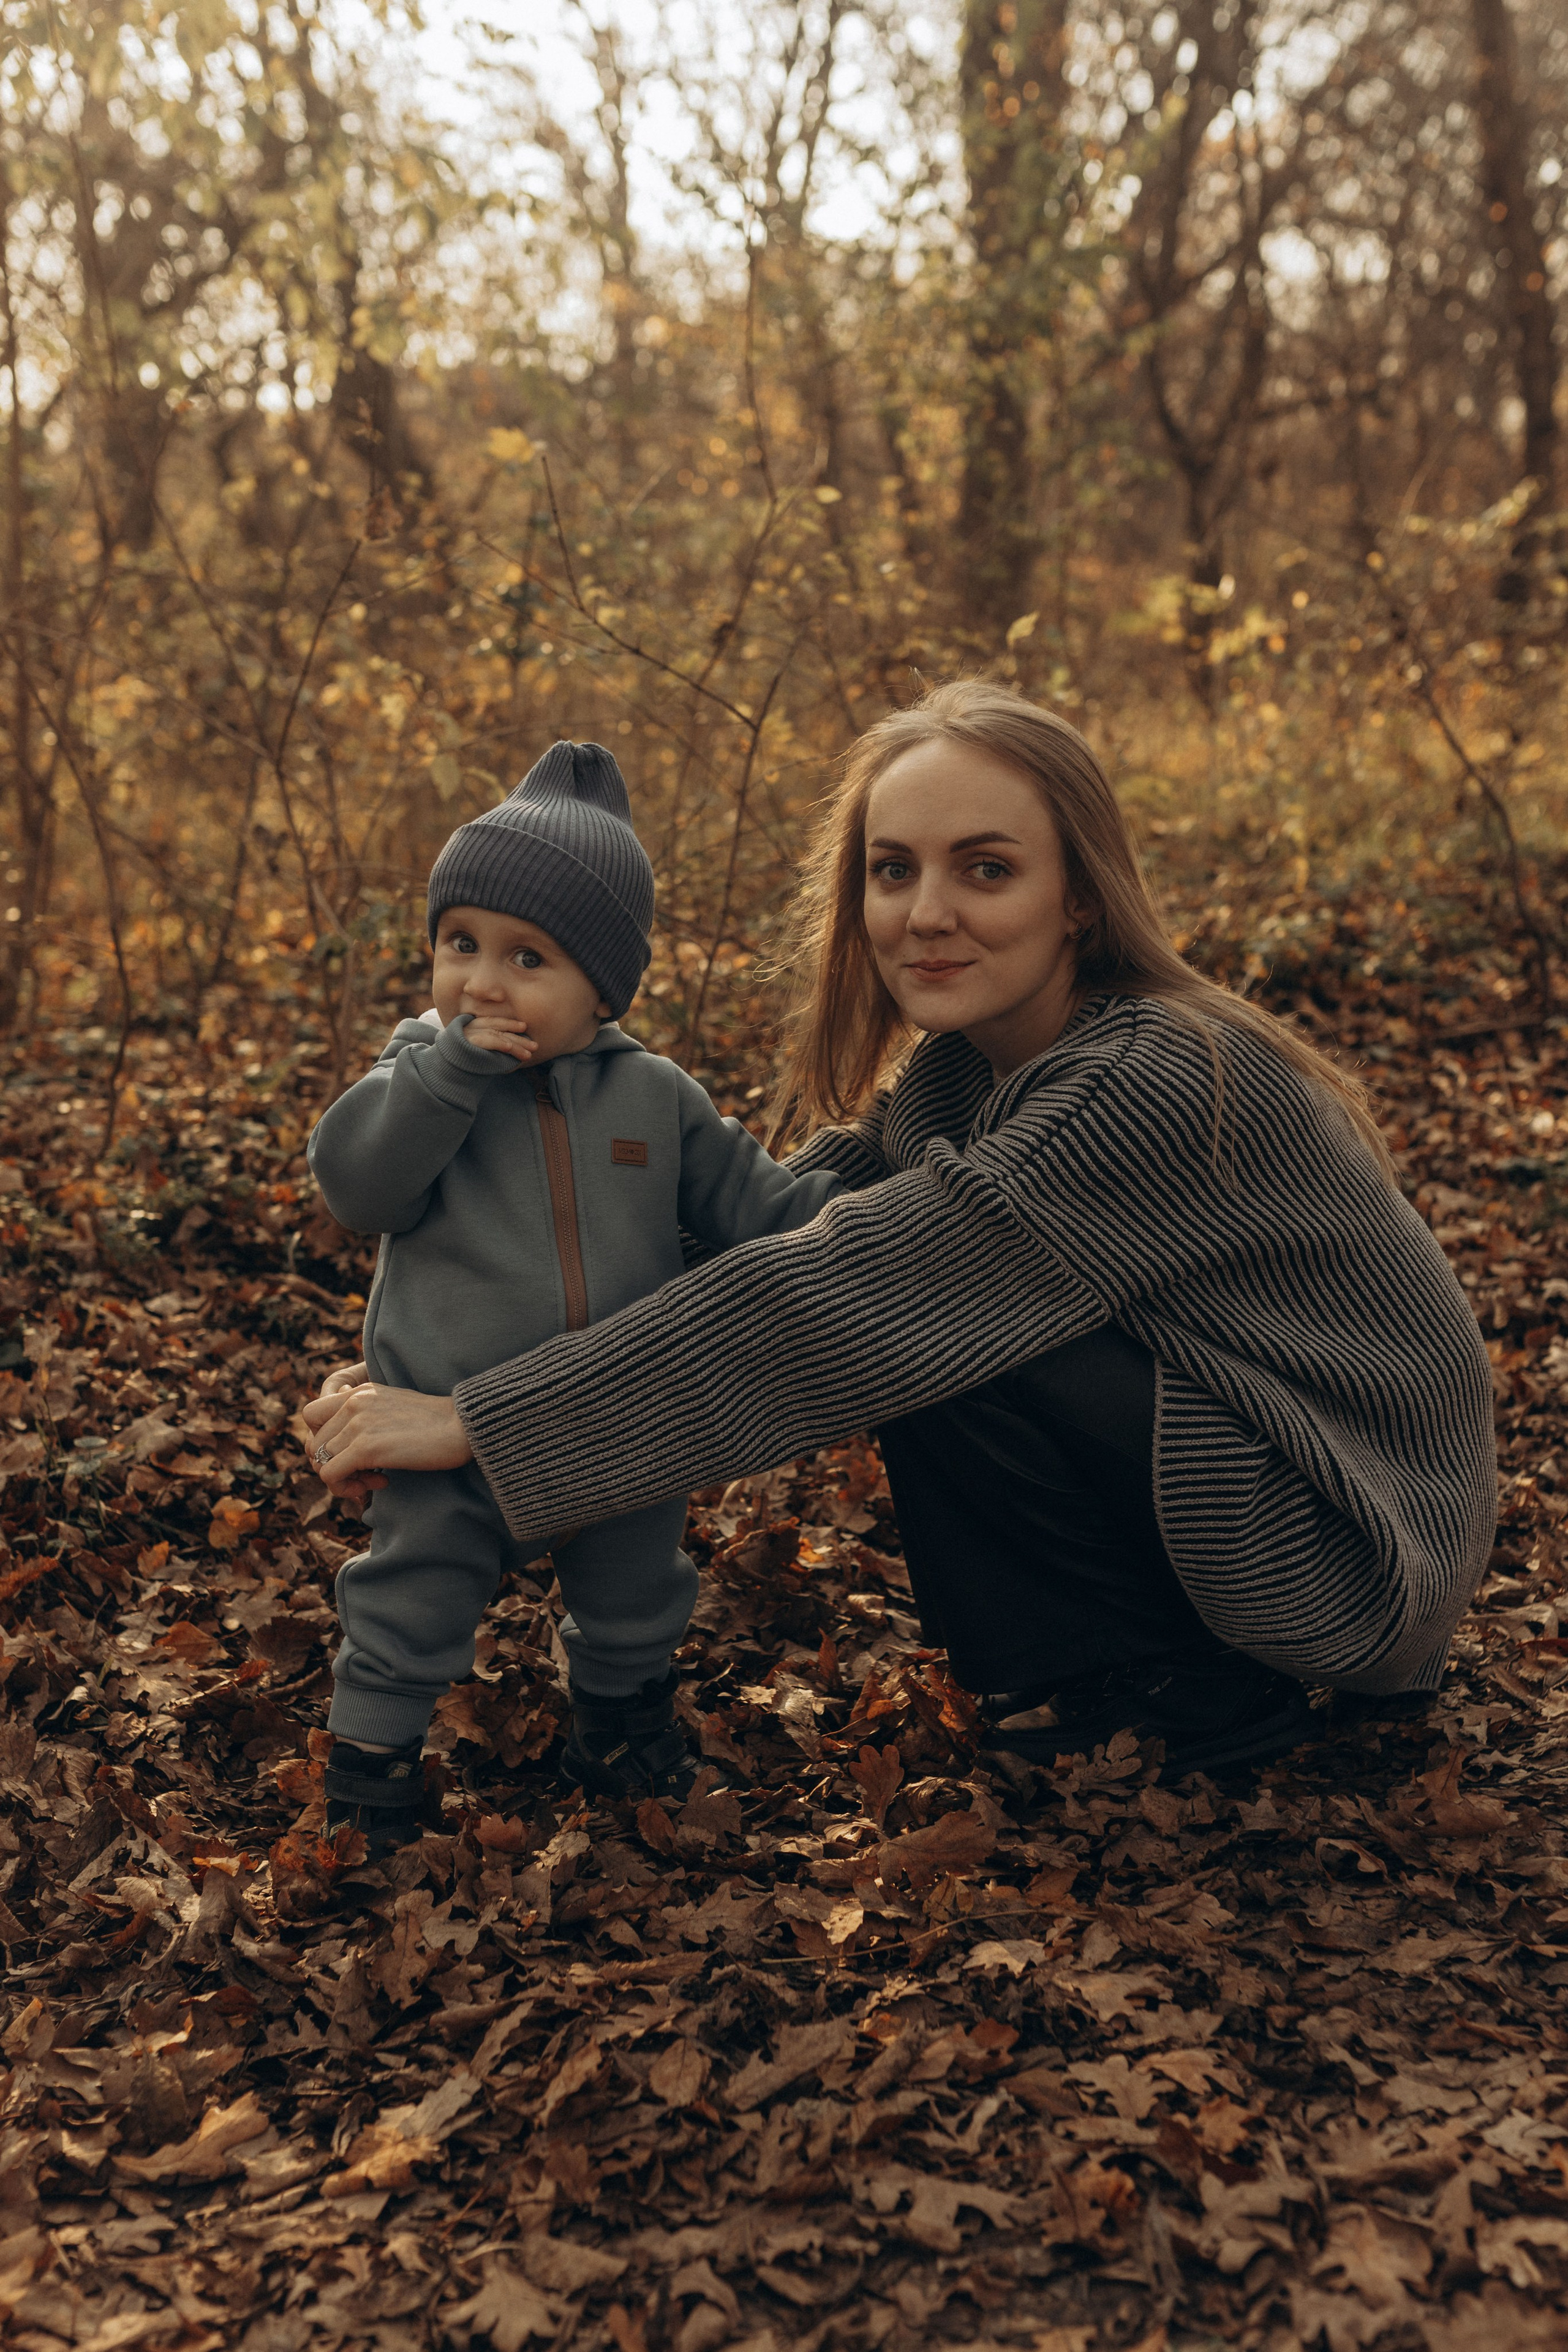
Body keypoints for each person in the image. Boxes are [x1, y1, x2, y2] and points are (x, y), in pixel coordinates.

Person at [303, 680, 1497, 1790]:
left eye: (986, 869)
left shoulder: (1145, 1079)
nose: (926, 914)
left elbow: (841, 1293)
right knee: (917, 1292)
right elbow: (785, 1224)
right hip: (1255, 1476)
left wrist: (476, 1423)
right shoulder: (963, 1070)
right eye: (892, 871)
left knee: (925, 1321)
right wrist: (450, 1356)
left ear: (1078, 897)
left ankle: (1184, 1693)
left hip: (1348, 1545)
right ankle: (1119, 1675)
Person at [306, 739, 842, 1850]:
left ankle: (619, 1725)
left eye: (527, 957)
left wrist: (881, 1198)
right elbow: (358, 1189)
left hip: (614, 1415)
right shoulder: (418, 1081)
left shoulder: (654, 1096)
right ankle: (369, 1773)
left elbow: (768, 1208)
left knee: (638, 1590)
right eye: (460, 944)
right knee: (410, 1598)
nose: (481, 982)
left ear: (602, 985)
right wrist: (445, 1078)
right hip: (439, 1420)